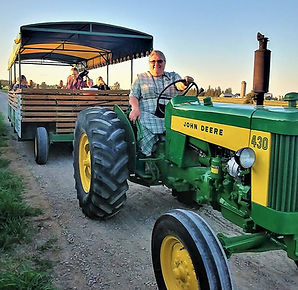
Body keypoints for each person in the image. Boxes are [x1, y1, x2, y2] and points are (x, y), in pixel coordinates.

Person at [129, 50, 193, 156]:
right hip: (147, 113)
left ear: (165, 62)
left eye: (160, 61)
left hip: (170, 113)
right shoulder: (140, 77)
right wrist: (135, 109)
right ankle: (146, 157)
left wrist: (185, 83)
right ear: (149, 63)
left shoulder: (172, 76)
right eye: (153, 61)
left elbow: (180, 85)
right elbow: (133, 95)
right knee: (145, 125)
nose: (156, 64)